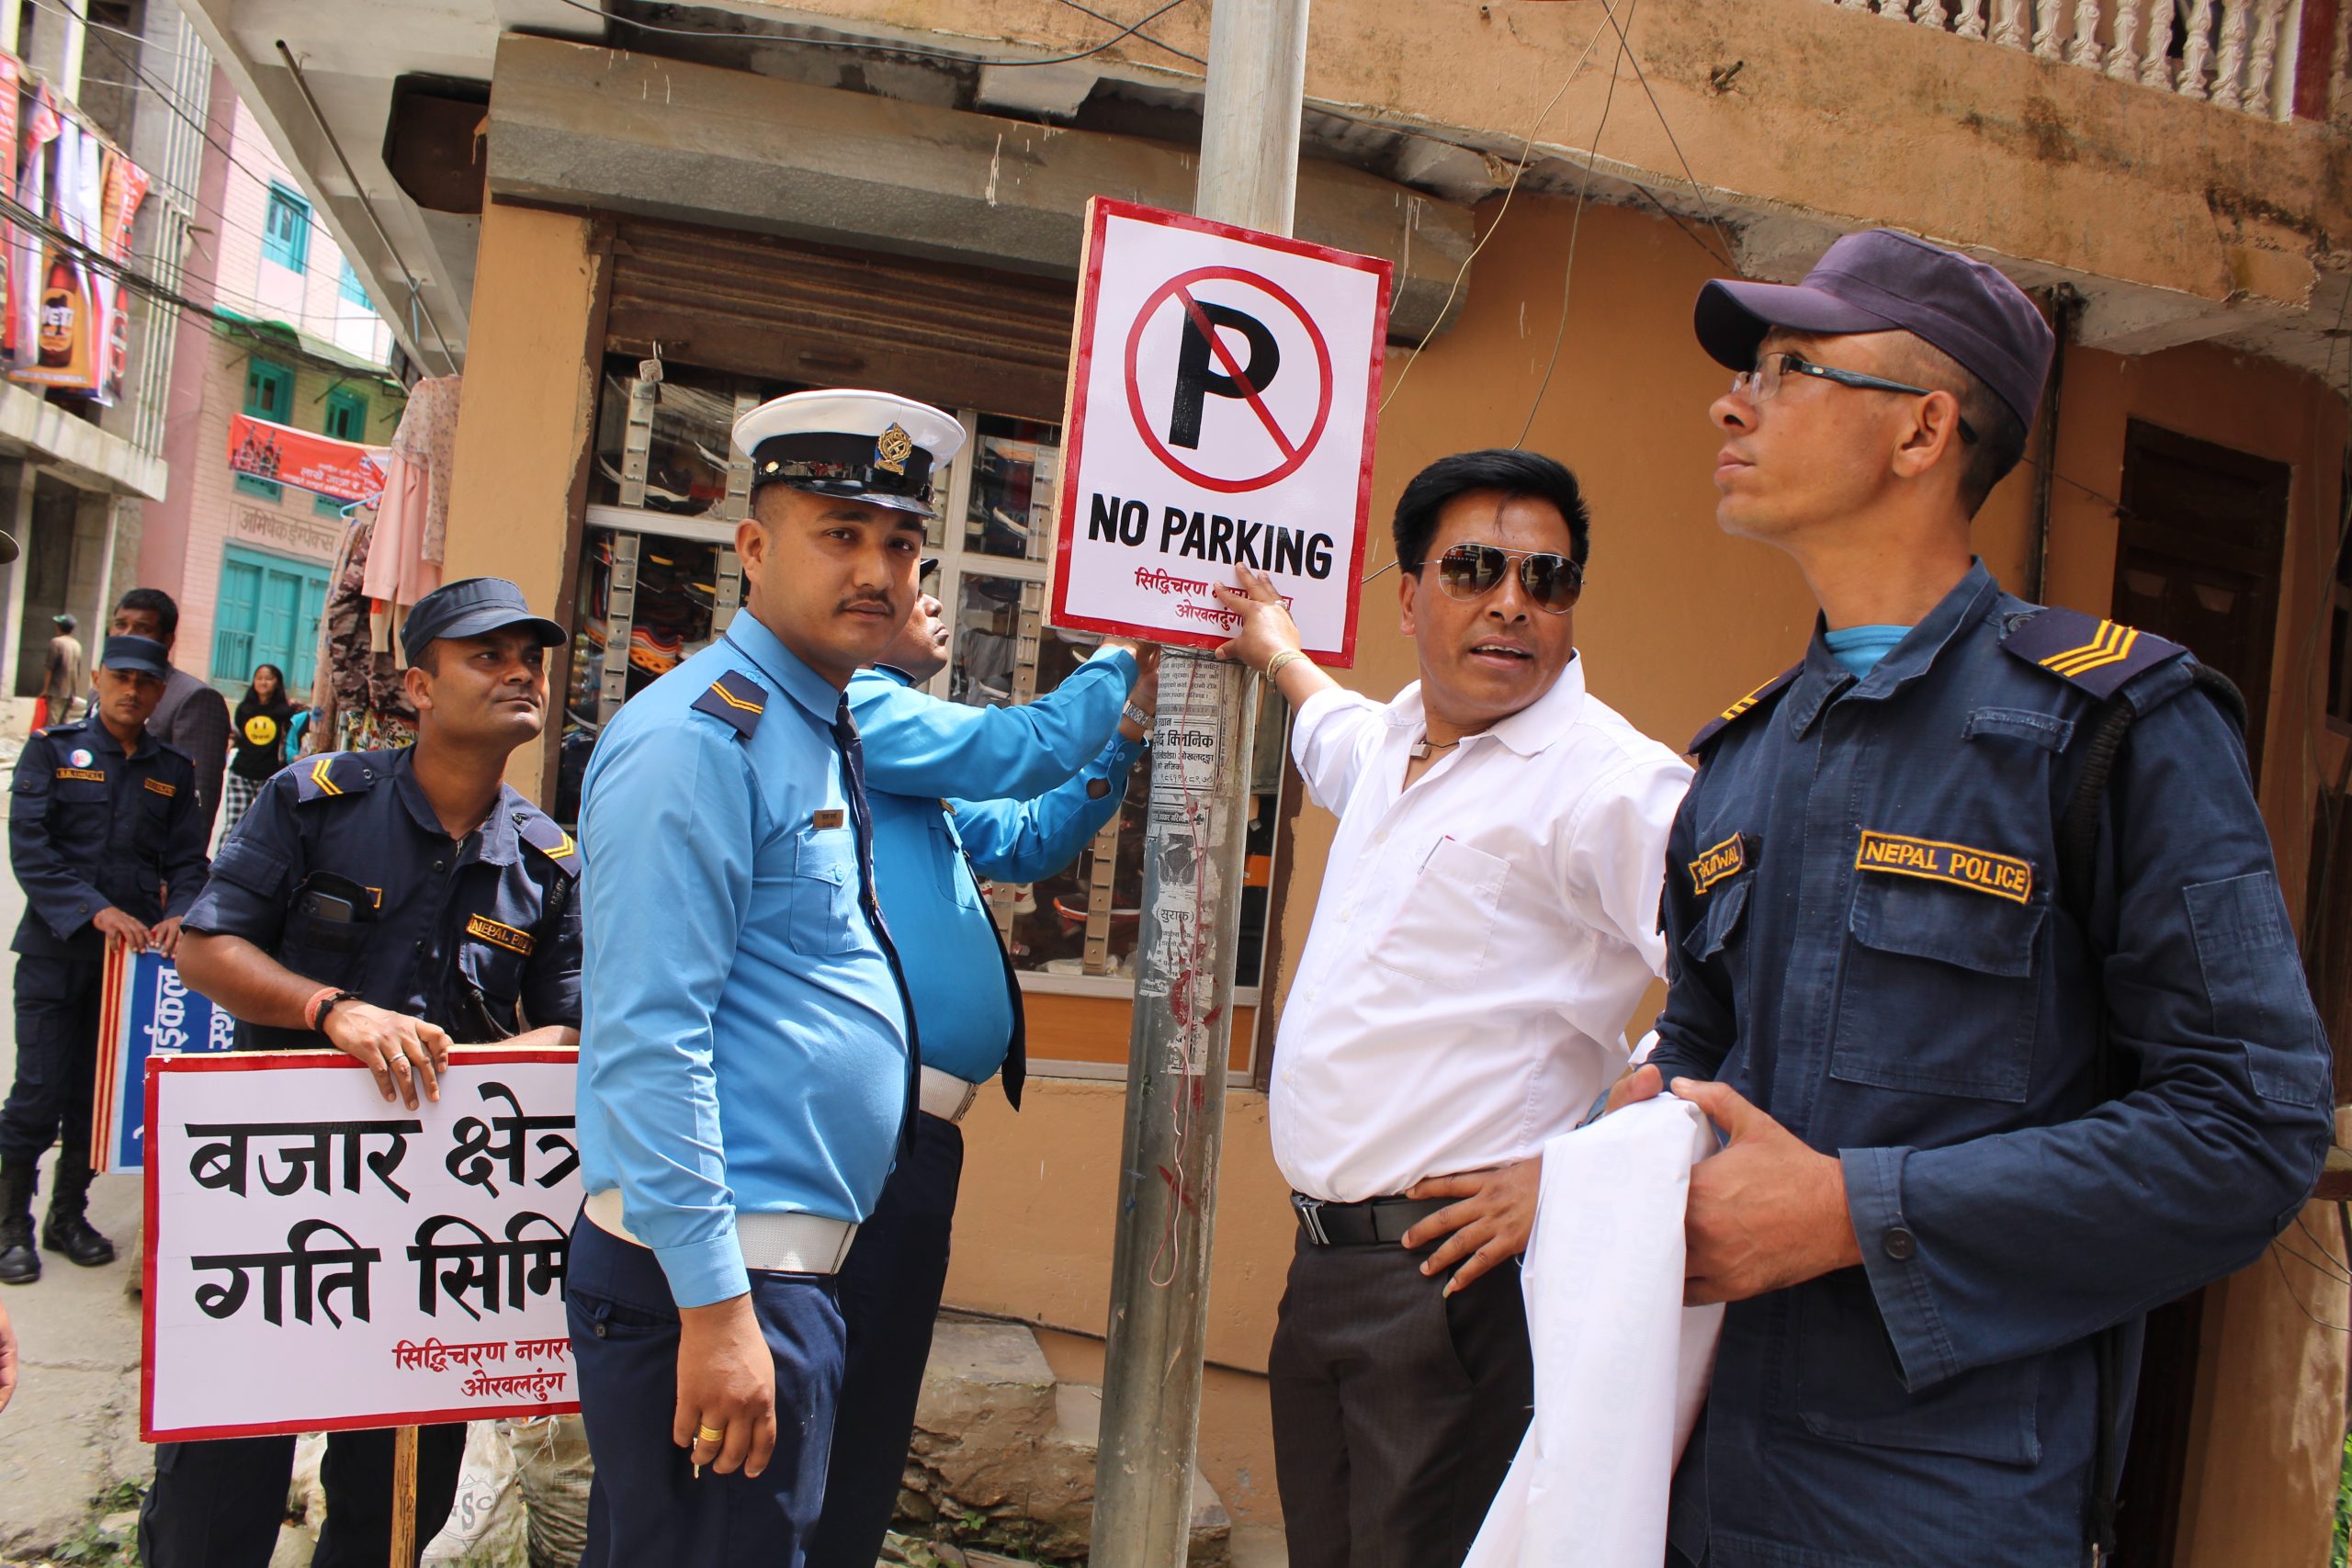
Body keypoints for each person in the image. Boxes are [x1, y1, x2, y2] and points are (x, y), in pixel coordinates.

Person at [1610, 230, 2334, 1568]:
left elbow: (2251, 1125)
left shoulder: (2115, 730)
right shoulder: (1739, 759)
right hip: (1700, 1473)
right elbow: (1706, 1050)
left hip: (1944, 1501)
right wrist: (1645, 1132)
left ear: (1923, 429)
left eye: (1790, 367)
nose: (1733, 399)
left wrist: (1855, 1209)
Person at [1212, 449, 1692, 1568]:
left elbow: (1750, 981)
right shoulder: (1389, 744)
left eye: (1546, 578)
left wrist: (1577, 1177)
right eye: (1474, 568)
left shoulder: (1612, 784)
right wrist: (1277, 647)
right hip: (1326, 1270)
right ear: (1409, 596)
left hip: (1460, 1292)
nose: (1510, 601)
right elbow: (1324, 726)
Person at [567, 389, 951, 1565]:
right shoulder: (699, 739)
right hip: (721, 1278)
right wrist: (719, 1310)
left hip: (777, 1273)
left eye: (898, 542)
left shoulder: (810, 722)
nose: (876, 570)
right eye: (840, 533)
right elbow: (647, 1039)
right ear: (752, 547)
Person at [140, 576, 581, 1568]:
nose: (520, 674)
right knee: (213, 1508)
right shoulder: (314, 801)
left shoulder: (548, 862)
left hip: (425, 1251)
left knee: (392, 1517)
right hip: (270, 1225)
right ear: (418, 688)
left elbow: (580, 1031)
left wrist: (494, 1068)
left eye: (531, 660)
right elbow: (206, 951)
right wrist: (328, 1011)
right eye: (488, 656)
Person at [806, 578, 1158, 1567]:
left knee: (871, 1402)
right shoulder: (858, 709)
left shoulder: (909, 768)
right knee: (834, 1393)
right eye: (916, 589)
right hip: (861, 1129)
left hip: (911, 1141)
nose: (933, 606)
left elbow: (1028, 835)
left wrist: (1125, 730)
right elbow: (1016, 749)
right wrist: (1123, 651)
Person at [0, 634, 208, 1285]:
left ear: (159, 690)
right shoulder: (52, 751)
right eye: (120, 677)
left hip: (130, 969)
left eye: (146, 682)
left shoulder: (171, 770)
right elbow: (30, 846)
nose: (132, 691)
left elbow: (187, 861)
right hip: (55, 951)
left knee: (97, 1096)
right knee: (37, 1092)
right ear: (96, 676)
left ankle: (67, 1215)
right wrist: (93, 909)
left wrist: (183, 912)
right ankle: (11, 1226)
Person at [107, 589, 232, 840]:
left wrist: (175, 873)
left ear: (166, 640)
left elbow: (199, 799)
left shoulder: (193, 698)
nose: (127, 635)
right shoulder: (100, 692)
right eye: (120, 625)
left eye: (142, 629)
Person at [223, 663, 297, 833]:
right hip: (241, 774)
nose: (263, 682)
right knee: (233, 826)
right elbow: (236, 734)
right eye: (259, 678)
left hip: (270, 777)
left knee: (266, 828)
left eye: (268, 679)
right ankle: (225, 859)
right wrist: (228, 743)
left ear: (277, 683)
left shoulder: (286, 712)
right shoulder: (244, 708)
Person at [37, 612, 84, 728]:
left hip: (57, 690)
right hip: (70, 691)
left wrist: (45, 689)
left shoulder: (56, 642)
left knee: (52, 725)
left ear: (59, 627)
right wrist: (74, 692)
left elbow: (50, 667)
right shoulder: (76, 645)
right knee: (63, 725)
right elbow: (78, 672)